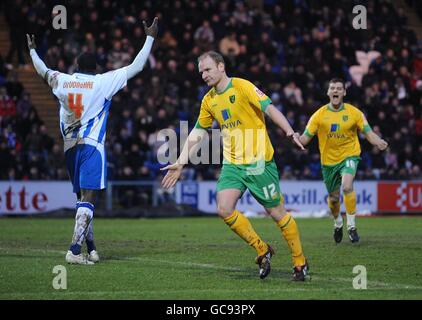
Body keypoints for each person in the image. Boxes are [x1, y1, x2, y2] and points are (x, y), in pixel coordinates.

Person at [161, 51, 309, 281]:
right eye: (201, 71)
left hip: (259, 162)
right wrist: (180, 162)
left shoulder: (242, 86)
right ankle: (262, 249)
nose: (203, 75)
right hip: (233, 164)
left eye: (207, 69)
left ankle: (300, 263)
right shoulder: (209, 100)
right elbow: (198, 132)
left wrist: (289, 131)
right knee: (224, 208)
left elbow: (270, 108)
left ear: (221, 66)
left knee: (277, 213)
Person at [26, 17, 159, 265]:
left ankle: (92, 248)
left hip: (70, 148)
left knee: (82, 201)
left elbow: (41, 69)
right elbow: (137, 66)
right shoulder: (102, 82)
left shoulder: (62, 79)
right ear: (96, 67)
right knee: (89, 198)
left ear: (76, 65)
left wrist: (33, 50)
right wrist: (150, 36)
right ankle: (74, 251)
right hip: (91, 146)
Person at [298, 78, 388, 243]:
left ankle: (351, 226)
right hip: (328, 162)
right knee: (333, 198)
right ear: (328, 92)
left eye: (339, 88)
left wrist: (378, 141)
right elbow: (305, 139)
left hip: (349, 155)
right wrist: (296, 138)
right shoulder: (318, 115)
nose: (336, 91)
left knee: (347, 186)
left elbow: (368, 132)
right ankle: (338, 222)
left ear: (344, 93)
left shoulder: (355, 113)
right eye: (332, 88)